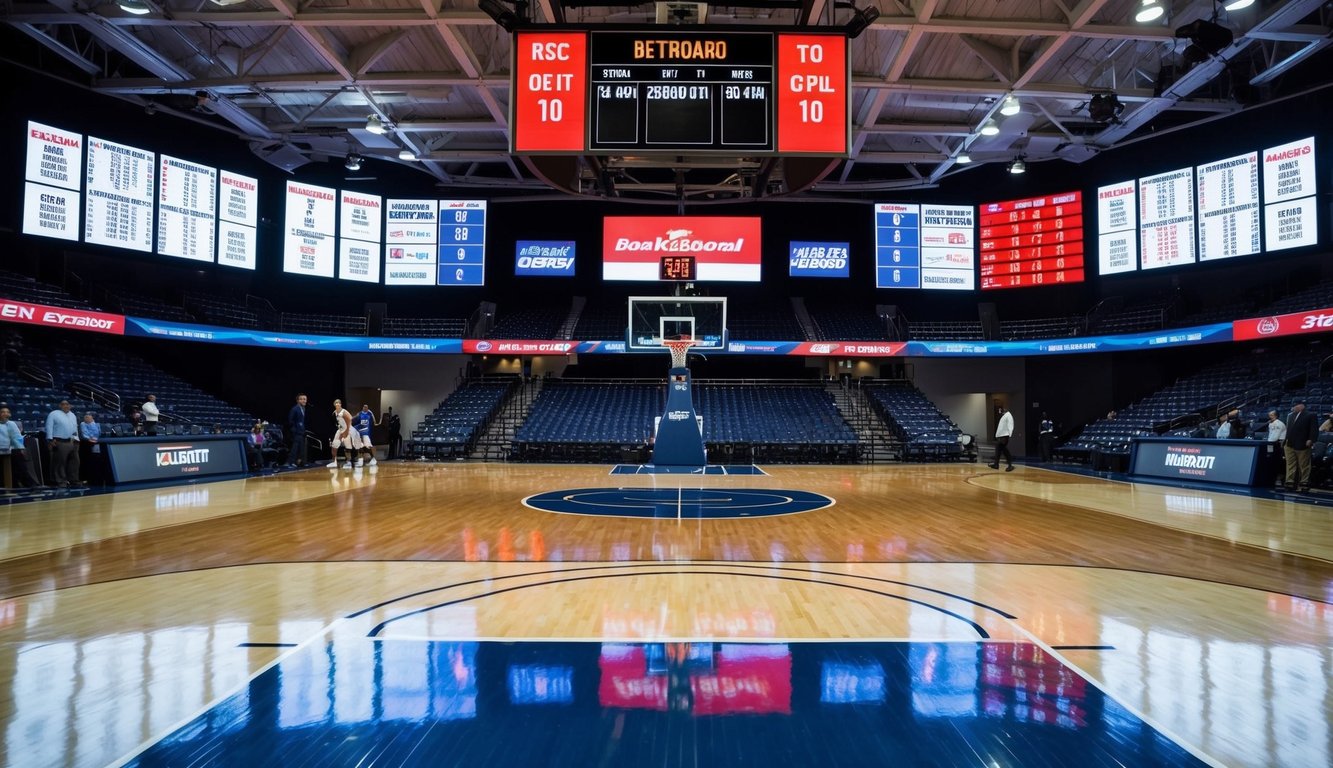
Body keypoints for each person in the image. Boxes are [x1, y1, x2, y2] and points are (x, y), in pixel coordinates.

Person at [0, 406, 40, 488]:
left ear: (10, 414)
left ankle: (30, 485)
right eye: (3, 412)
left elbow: (17, 436)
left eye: (7, 412)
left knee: (21, 468)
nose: (5, 413)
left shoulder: (12, 424)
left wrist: (21, 448)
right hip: (1, 450)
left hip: (14, 449)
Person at [45, 399, 80, 488]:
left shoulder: (72, 415)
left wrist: (76, 439)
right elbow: (49, 426)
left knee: (75, 462)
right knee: (60, 463)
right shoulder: (53, 414)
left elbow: (75, 427)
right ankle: (60, 481)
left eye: (67, 404)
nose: (66, 406)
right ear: (60, 406)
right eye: (63, 404)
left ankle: (73, 480)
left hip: (72, 441)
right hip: (59, 441)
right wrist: (50, 439)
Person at [1284, 401, 1318, 492]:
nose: (1293, 407)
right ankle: (1289, 482)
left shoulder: (1310, 415)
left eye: (1295, 406)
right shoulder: (1290, 415)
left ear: (1301, 406)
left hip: (1303, 443)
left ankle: (1304, 483)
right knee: (1290, 464)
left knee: (1304, 465)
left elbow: (1314, 429)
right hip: (1289, 443)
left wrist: (1311, 439)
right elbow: (1288, 429)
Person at [327, 398, 361, 470]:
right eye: (336, 403)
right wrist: (340, 430)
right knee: (334, 445)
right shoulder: (334, 413)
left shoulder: (344, 412)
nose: (337, 404)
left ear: (341, 404)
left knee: (348, 446)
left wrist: (346, 432)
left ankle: (349, 462)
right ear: (334, 404)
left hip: (348, 429)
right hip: (340, 429)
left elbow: (349, 421)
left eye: (339, 403)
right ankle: (334, 462)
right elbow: (337, 422)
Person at [988, 406, 1015, 472]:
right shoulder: (1005, 416)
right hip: (1002, 436)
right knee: (999, 449)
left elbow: (1010, 425)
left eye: (1001, 410)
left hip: (1005, 436)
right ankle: (996, 464)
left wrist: (1009, 434)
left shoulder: (1008, 415)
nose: (1000, 411)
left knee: (1003, 450)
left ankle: (1009, 465)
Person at [79, 413, 102, 484]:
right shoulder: (82, 424)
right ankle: (84, 478)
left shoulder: (96, 424)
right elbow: (85, 434)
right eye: (85, 417)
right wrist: (92, 437)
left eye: (88, 417)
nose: (86, 419)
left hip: (95, 443)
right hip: (85, 444)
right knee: (86, 461)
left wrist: (93, 437)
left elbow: (98, 433)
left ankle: (94, 478)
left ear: (92, 419)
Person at [287, 393, 309, 467]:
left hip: (301, 431)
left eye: (305, 399)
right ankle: (291, 462)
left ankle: (302, 462)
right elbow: (290, 421)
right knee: (295, 448)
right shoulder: (294, 409)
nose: (304, 401)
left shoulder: (303, 408)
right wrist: (294, 430)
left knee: (302, 448)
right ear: (298, 400)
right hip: (296, 432)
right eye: (302, 399)